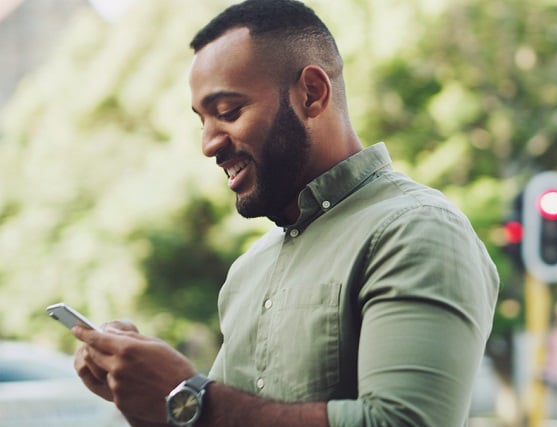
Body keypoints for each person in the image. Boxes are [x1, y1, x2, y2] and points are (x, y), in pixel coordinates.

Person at [71, 1, 500, 426]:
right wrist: (153, 405)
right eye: (202, 120)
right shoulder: (247, 271)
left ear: (311, 93)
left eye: (228, 113)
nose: (208, 144)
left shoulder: (416, 230)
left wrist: (189, 398)